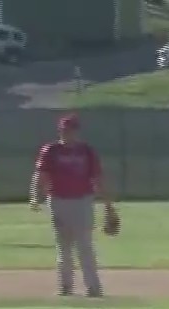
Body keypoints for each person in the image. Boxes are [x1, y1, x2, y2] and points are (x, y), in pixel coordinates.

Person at [29, 113, 117, 298]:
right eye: (64, 130)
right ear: (59, 131)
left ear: (77, 131)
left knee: (84, 245)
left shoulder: (87, 151)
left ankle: (93, 288)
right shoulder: (50, 150)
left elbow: (97, 179)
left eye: (71, 130)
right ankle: (65, 287)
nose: (68, 133)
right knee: (64, 247)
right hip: (58, 201)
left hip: (82, 201)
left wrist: (108, 206)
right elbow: (40, 174)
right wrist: (35, 195)